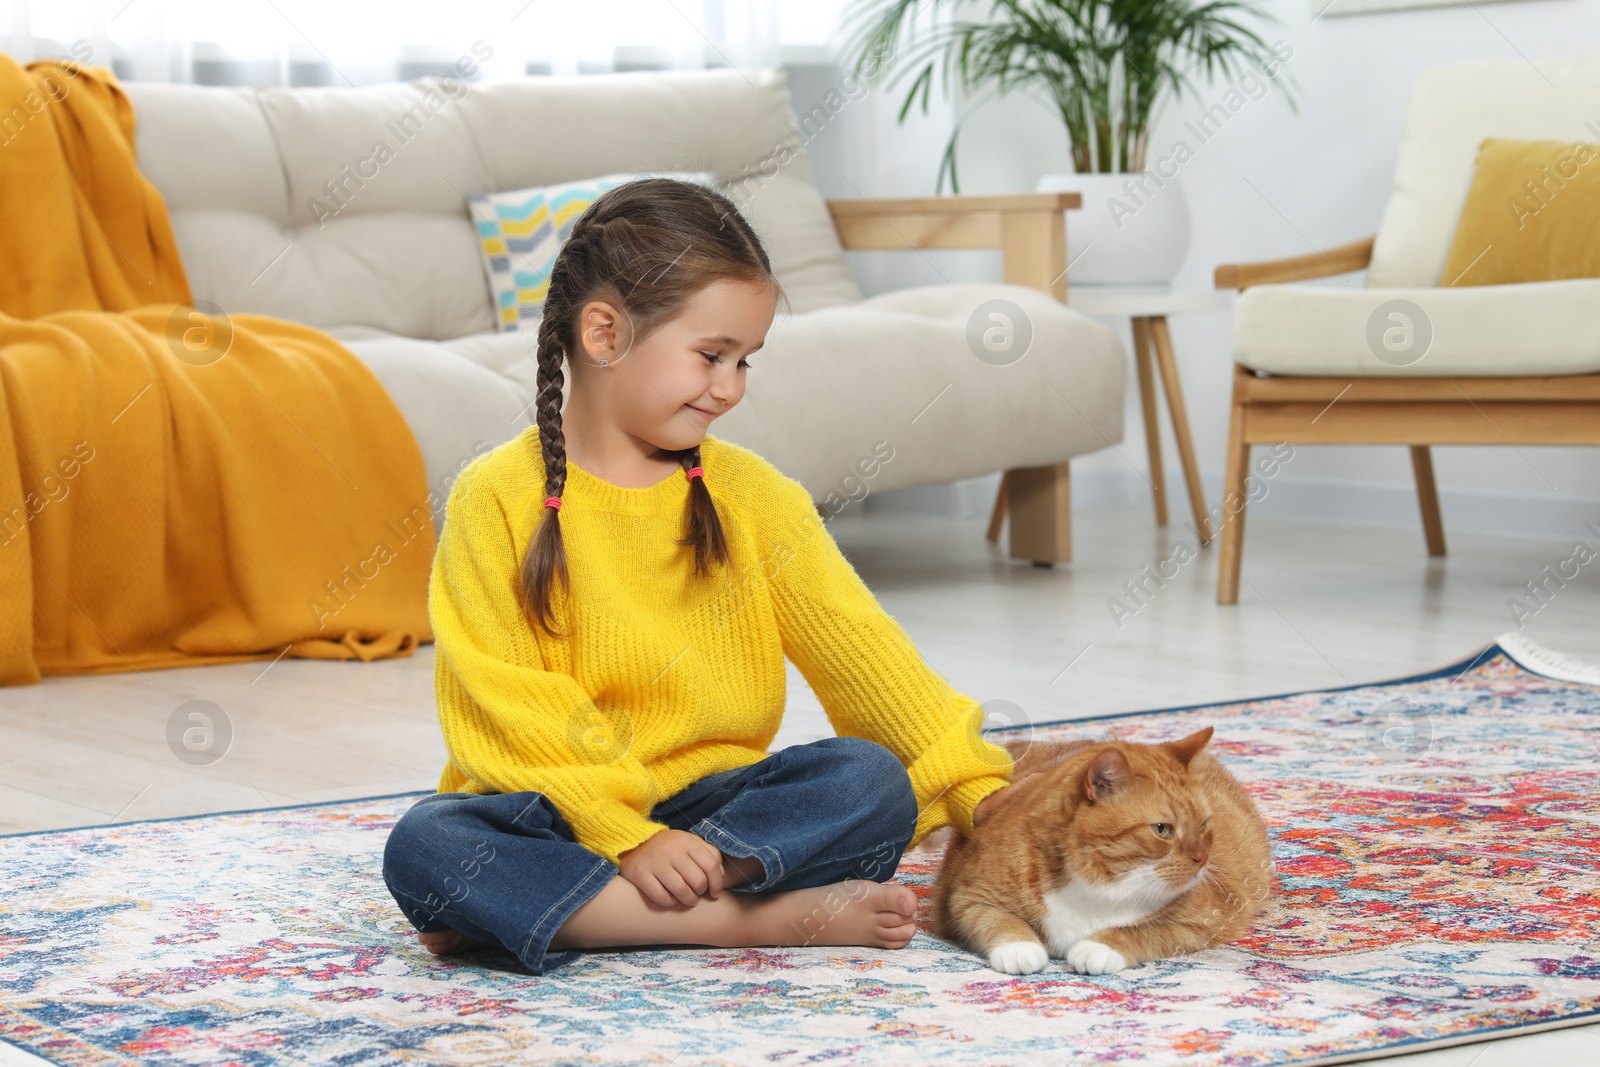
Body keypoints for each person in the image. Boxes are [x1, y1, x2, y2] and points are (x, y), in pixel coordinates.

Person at [381, 177, 1022, 975]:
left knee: (870, 781)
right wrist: (630, 836)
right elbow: (503, 699)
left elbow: (867, 654)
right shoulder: (493, 497)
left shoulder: (754, 495)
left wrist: (976, 789)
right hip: (549, 804)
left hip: (714, 821)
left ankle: (571, 912)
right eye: (711, 355)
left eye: (745, 360)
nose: (730, 386)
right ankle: (752, 920)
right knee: (427, 845)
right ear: (605, 333)